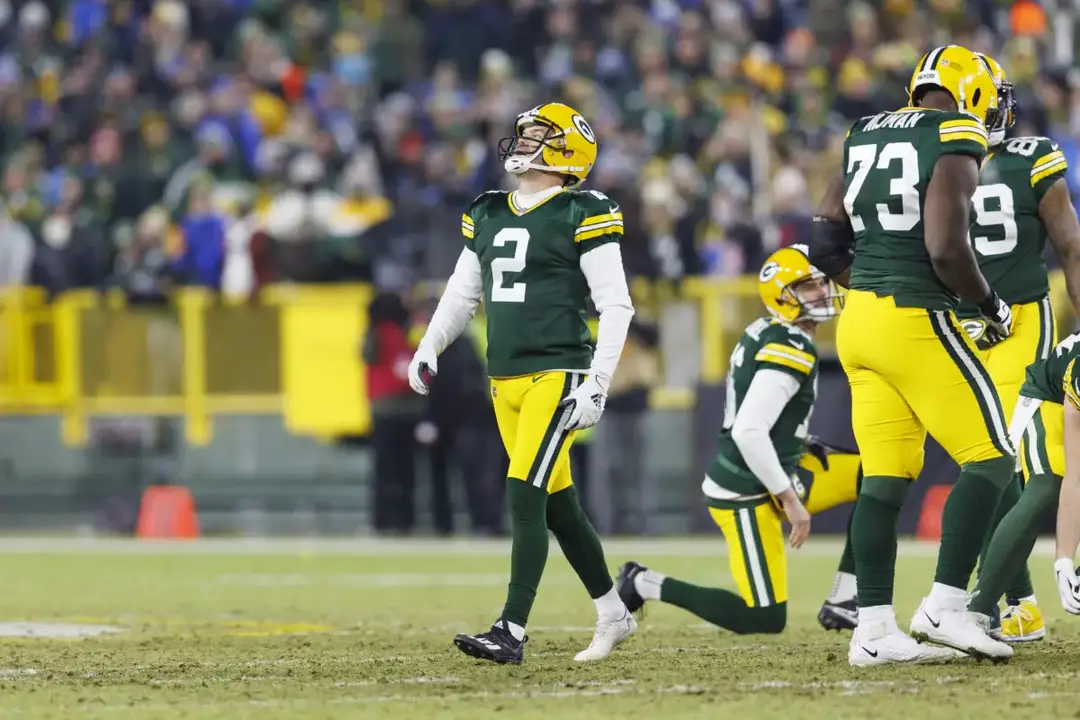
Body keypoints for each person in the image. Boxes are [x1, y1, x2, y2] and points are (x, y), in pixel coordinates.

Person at [407, 103, 636, 664]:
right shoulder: (487, 211)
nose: (522, 141)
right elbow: (464, 293)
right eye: (525, 132)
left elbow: (617, 305)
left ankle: (510, 628)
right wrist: (429, 344)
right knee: (558, 504)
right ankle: (613, 611)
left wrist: (598, 380)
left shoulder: (583, 209)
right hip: (502, 378)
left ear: (566, 150)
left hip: (558, 372)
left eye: (537, 134)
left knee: (523, 489)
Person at [809, 45, 1016, 665]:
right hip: (913, 317)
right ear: (970, 91)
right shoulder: (955, 131)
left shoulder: (864, 130)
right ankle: (946, 607)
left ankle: (872, 630)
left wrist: (870, 282)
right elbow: (946, 247)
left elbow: (822, 237)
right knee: (992, 458)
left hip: (858, 324)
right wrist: (989, 305)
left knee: (885, 478)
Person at [615, 246, 859, 635]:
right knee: (763, 618)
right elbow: (749, 430)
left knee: (881, 476)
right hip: (748, 490)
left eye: (819, 283)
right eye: (808, 286)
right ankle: (644, 583)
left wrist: (799, 439)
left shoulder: (770, 330)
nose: (822, 292)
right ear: (782, 295)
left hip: (780, 466)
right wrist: (792, 503)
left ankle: (846, 597)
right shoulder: (788, 346)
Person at [962, 53, 1080, 643]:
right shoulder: (1031, 157)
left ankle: (1007, 599)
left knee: (1007, 461)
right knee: (993, 463)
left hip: (995, 324)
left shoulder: (935, 163)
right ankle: (1017, 599)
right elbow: (1071, 249)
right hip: (994, 324)